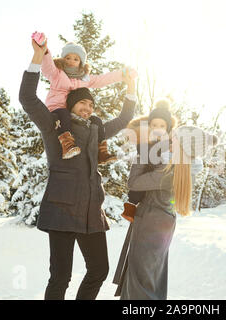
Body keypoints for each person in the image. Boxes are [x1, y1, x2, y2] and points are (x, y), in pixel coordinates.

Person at [19, 38, 137, 300]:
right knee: (61, 277)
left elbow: (124, 118)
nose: (88, 108)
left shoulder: (96, 130)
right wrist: (38, 57)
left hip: (91, 213)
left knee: (99, 269)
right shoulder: (53, 125)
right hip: (61, 210)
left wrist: (131, 87)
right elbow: (27, 98)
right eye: (82, 103)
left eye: (92, 105)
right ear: (71, 103)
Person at [113, 124, 218, 299]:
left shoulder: (169, 170)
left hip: (150, 221)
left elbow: (134, 182)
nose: (171, 139)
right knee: (152, 277)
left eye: (175, 137)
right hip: (164, 221)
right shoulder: (185, 167)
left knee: (140, 280)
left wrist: (143, 155)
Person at [39, 35, 137, 160]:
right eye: (67, 58)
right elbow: (47, 67)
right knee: (63, 114)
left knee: (96, 120)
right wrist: (44, 50)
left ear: (81, 62)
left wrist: (123, 74)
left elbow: (102, 79)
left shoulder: (84, 79)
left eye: (76, 59)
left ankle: (101, 151)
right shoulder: (57, 74)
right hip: (56, 110)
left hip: (68, 112)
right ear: (62, 59)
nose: (71, 61)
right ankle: (67, 143)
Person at [120, 98, 178, 222]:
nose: (158, 128)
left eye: (162, 126)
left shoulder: (170, 141)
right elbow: (143, 154)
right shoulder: (146, 139)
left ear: (167, 127)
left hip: (159, 186)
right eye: (154, 125)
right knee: (136, 191)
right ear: (150, 126)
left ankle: (132, 204)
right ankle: (131, 204)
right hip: (147, 168)